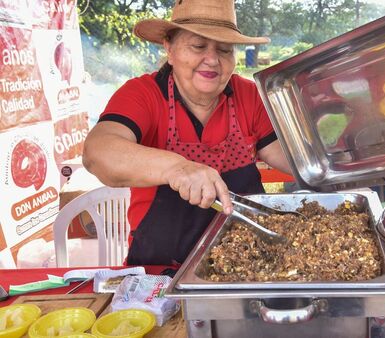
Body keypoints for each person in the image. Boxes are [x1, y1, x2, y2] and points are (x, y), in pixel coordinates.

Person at [82, 0, 290, 266]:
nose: (213, 60)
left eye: (224, 49)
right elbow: (97, 153)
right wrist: (177, 168)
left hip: (251, 263)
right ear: (169, 48)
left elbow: (288, 157)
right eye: (198, 46)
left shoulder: (248, 95)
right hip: (162, 268)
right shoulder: (143, 95)